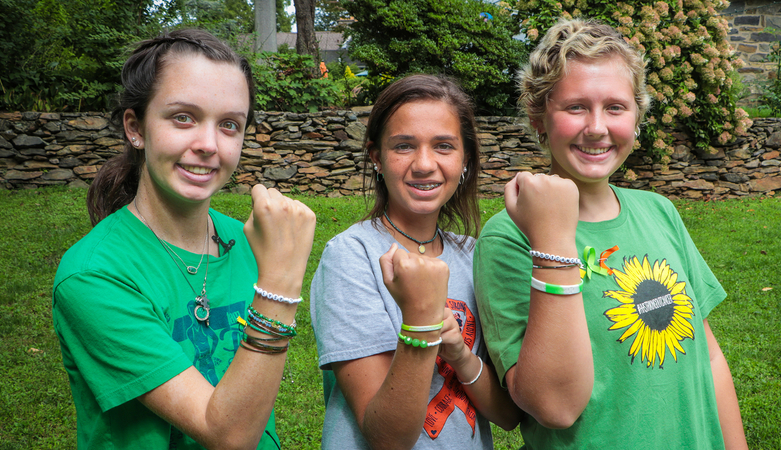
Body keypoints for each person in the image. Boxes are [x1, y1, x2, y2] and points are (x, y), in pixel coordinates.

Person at [473, 18, 748, 449]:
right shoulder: (509, 237)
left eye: (616, 107)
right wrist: (551, 238)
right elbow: (556, 407)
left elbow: (709, 358)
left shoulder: (659, 212)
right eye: (576, 106)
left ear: (637, 116)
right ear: (539, 116)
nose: (597, 127)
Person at [52, 29, 316, 449]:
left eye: (230, 125)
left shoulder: (247, 239)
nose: (209, 145)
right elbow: (228, 435)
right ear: (135, 128)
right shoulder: (93, 276)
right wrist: (280, 286)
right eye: (183, 117)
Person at [310, 74, 521, 449]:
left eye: (443, 146)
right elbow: (387, 437)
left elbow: (507, 416)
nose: (424, 164)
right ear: (376, 157)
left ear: (465, 159)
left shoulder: (475, 255)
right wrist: (421, 324)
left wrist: (459, 353)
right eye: (404, 146)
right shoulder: (352, 256)